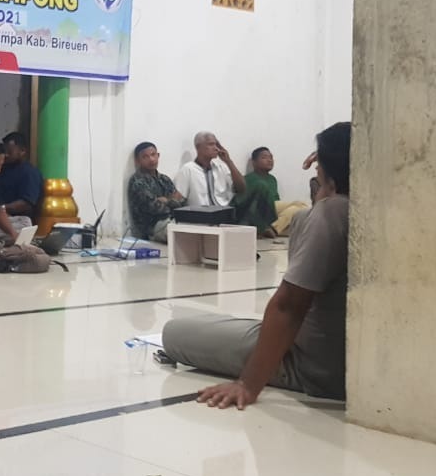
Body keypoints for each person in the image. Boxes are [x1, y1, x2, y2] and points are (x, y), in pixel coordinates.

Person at [162, 122, 351, 407]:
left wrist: (247, 385)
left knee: (175, 332)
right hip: (346, 360)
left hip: (312, 365)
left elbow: (289, 306)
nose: (215, 148)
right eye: (210, 144)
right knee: (226, 322)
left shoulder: (332, 212)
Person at [126, 141, 186, 242]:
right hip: (152, 228)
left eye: (153, 155)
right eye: (145, 157)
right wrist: (170, 201)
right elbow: (154, 208)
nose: (151, 159)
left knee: (198, 228)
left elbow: (181, 202)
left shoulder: (164, 179)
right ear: (137, 161)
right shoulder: (137, 181)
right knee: (184, 236)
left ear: (158, 155)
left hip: (172, 220)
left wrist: (165, 200)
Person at [174, 131, 246, 207]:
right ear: (198, 147)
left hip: (224, 211)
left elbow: (241, 189)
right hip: (201, 213)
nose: (216, 148)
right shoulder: (188, 169)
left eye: (216, 144)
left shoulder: (221, 167)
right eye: (211, 144)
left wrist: (228, 161)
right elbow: (178, 199)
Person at [0, 132, 43, 222]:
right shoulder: (0, 169)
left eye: (9, 152)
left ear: (22, 151)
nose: (6, 155)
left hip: (20, 220)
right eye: (4, 151)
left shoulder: (30, 172)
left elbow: (26, 204)